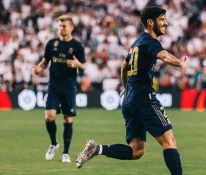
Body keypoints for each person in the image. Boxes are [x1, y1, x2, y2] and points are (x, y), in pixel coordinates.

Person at [76, 6, 187, 175]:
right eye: (162, 19)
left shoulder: (136, 43)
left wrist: (126, 88)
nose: (166, 23)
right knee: (169, 142)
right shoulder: (151, 42)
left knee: (136, 151)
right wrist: (179, 62)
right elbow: (164, 55)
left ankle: (97, 149)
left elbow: (123, 67)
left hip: (129, 100)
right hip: (144, 98)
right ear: (151, 22)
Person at [32, 15, 85, 163]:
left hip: (69, 87)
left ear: (71, 27)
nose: (61, 28)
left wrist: (77, 64)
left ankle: (65, 153)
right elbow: (44, 62)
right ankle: (54, 143)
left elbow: (83, 67)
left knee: (68, 120)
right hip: (53, 86)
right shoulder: (52, 44)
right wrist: (38, 68)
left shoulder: (77, 46)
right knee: (49, 116)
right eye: (59, 26)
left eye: (64, 26)